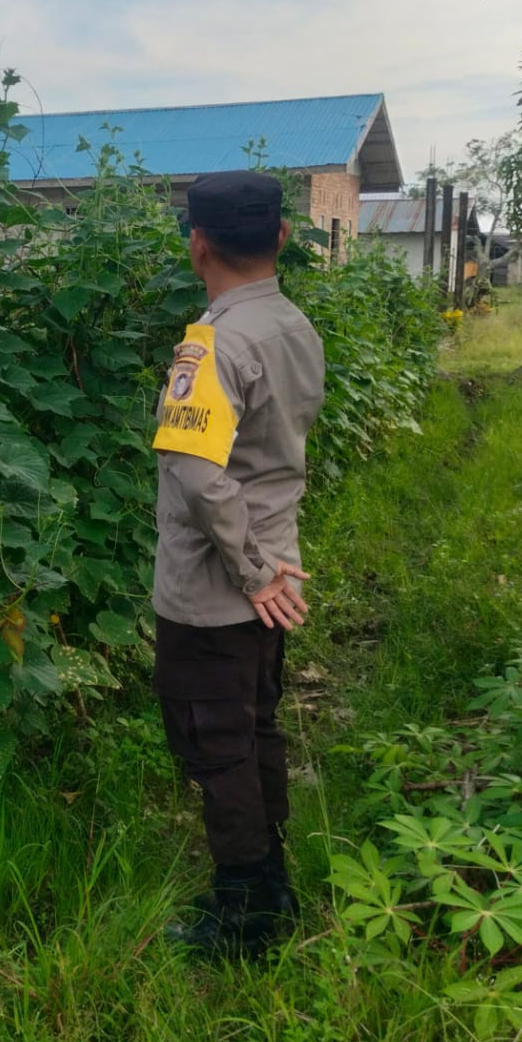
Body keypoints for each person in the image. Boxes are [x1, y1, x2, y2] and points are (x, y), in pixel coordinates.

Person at [151, 170, 325, 959]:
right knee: (254, 730)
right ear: (282, 237)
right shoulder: (295, 327)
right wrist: (269, 571)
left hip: (222, 591)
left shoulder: (214, 342)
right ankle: (273, 880)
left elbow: (196, 471)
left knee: (216, 743)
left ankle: (244, 912)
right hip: (275, 579)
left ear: (198, 245)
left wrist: (249, 571)